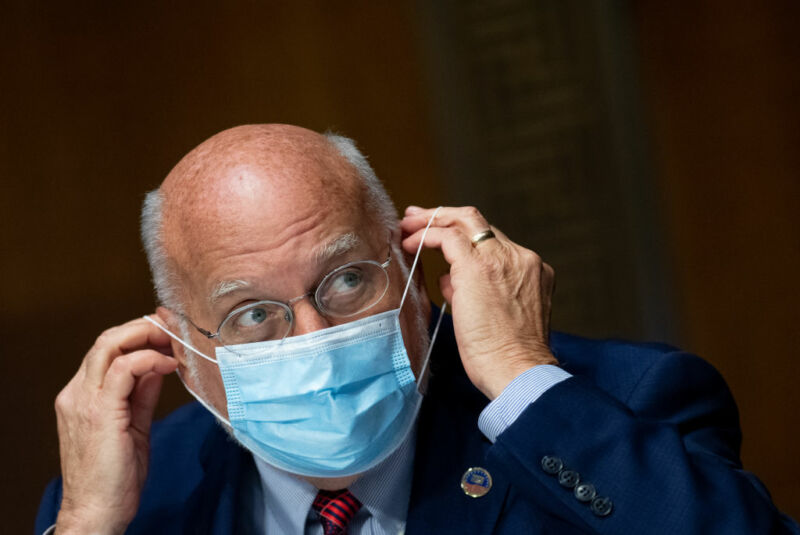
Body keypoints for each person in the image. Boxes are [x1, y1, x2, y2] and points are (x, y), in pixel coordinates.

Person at [36, 124, 799, 534]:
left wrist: (522, 375)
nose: (311, 334)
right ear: (184, 349)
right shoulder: (131, 497)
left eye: (345, 281)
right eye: (253, 315)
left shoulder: (623, 404)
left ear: (412, 270)